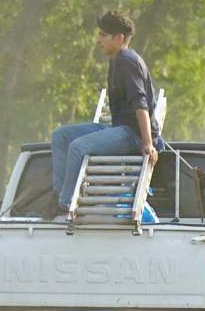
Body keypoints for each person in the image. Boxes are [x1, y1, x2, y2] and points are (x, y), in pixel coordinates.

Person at [48, 11, 162, 219]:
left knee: (77, 147)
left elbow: (140, 103)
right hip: (118, 128)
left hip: (133, 134)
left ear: (118, 38)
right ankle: (58, 196)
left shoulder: (127, 60)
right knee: (60, 136)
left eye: (103, 35)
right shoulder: (116, 59)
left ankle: (64, 207)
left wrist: (147, 141)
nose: (98, 40)